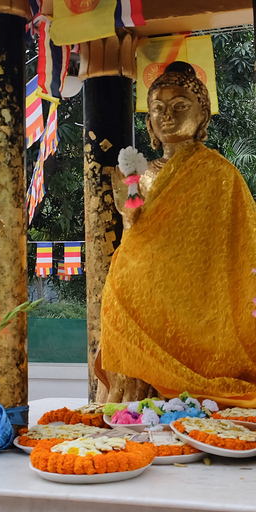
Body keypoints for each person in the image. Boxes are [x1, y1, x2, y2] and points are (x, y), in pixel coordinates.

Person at [101, 61, 256, 406]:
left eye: (180, 106)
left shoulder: (220, 175)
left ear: (202, 115)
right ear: (149, 122)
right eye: (158, 109)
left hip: (195, 297)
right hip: (138, 286)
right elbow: (133, 227)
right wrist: (128, 182)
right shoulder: (143, 173)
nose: (167, 116)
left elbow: (237, 247)